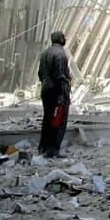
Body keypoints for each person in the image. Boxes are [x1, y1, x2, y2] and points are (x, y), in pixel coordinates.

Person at [38, 30, 71, 158]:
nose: (65, 39)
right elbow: (60, 76)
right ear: (61, 39)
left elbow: (40, 74)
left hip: (45, 90)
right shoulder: (60, 54)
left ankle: (43, 148)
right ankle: (53, 150)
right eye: (64, 37)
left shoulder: (45, 53)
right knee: (58, 120)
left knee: (47, 119)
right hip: (58, 92)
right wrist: (61, 95)